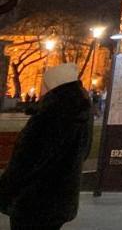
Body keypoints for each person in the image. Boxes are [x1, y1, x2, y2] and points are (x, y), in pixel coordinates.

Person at [0, 63, 92, 230]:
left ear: (53, 84)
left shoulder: (52, 114)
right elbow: (84, 151)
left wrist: (6, 190)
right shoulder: (80, 109)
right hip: (61, 199)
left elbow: (27, 161)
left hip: (34, 201)